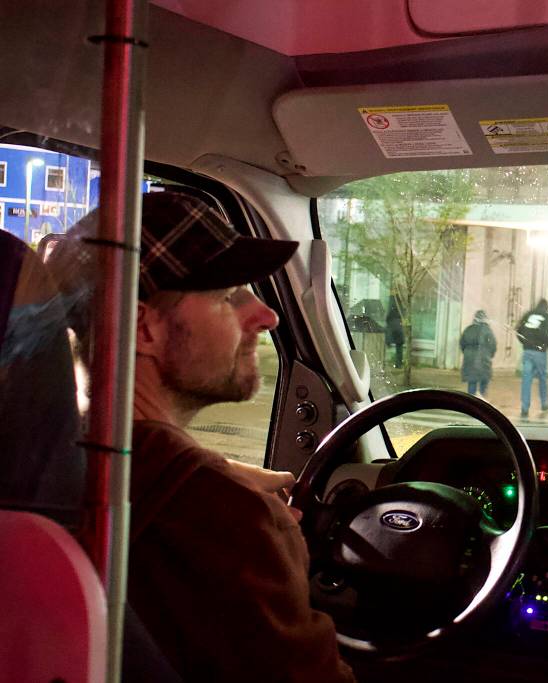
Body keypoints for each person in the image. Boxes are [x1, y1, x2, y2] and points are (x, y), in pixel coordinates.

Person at [49, 192, 355, 682]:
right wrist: (280, 543)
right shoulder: (225, 517)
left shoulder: (57, 462)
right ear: (144, 328)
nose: (266, 316)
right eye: (229, 296)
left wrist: (215, 472)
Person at [515, 298, 548, 418]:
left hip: (527, 351)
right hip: (540, 353)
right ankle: (544, 403)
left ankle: (524, 408)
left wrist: (525, 343)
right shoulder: (546, 317)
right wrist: (544, 346)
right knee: (542, 378)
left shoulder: (528, 314)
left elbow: (518, 330)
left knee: (526, 379)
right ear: (546, 308)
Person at [459, 309, 496, 396]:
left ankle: (471, 401)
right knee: (484, 381)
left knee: (472, 382)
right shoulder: (488, 331)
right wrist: (490, 355)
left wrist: (467, 354)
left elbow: (462, 344)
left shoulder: (468, 329)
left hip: (470, 360)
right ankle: (482, 401)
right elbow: (493, 346)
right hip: (484, 359)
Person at [385, 296, 404, 368]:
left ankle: (394, 363)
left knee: (389, 343)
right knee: (399, 347)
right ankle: (398, 364)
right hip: (398, 326)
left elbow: (388, 316)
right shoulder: (400, 305)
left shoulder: (392, 302)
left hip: (393, 327)